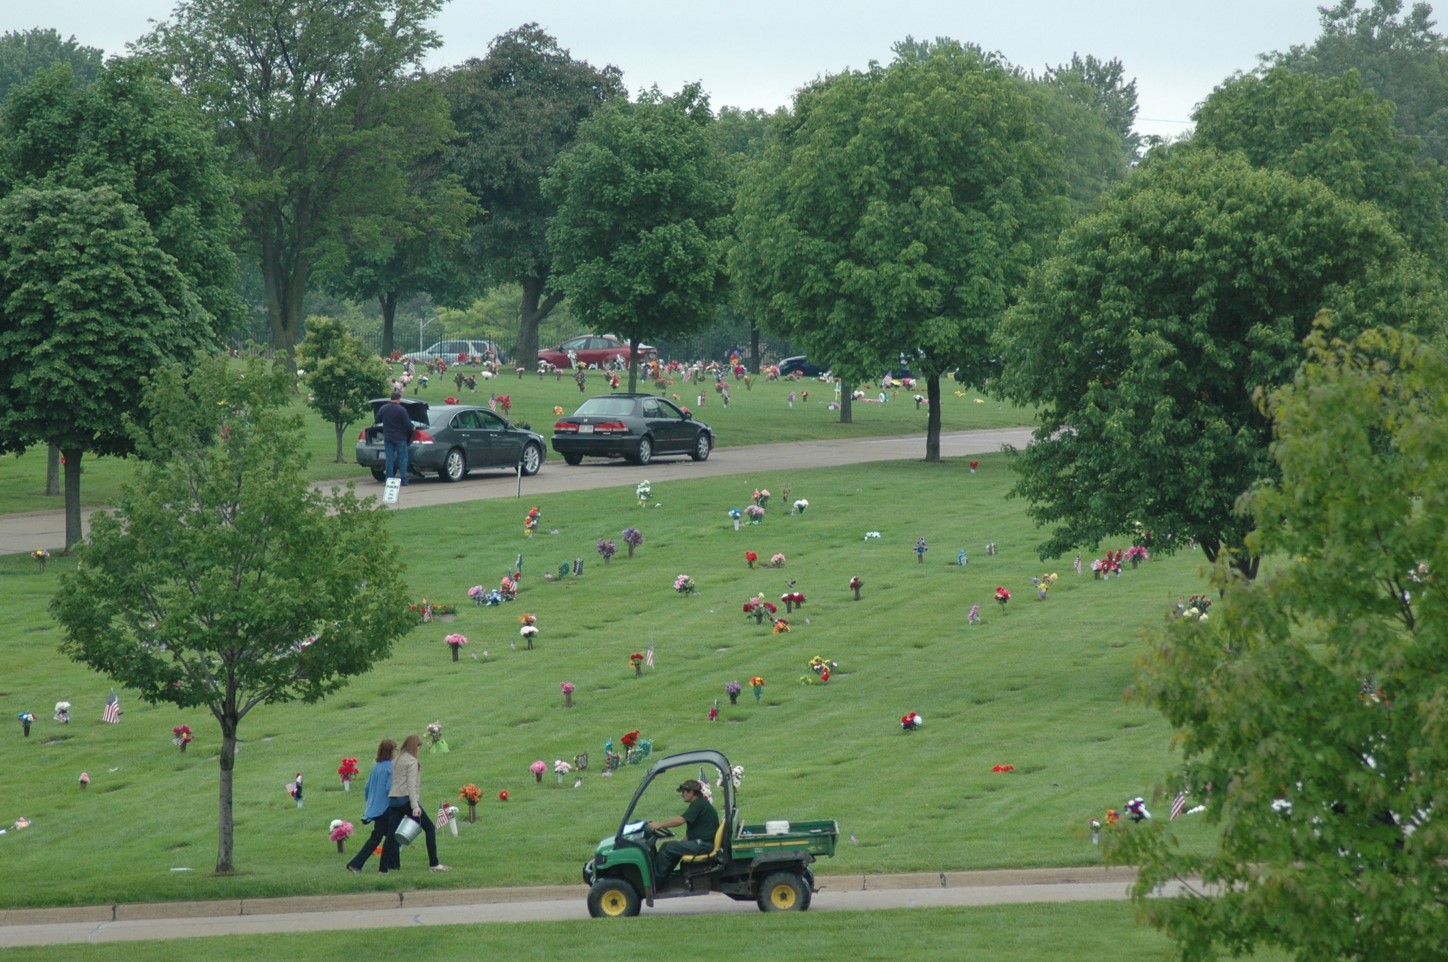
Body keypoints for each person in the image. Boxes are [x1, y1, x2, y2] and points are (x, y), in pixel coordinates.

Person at [382, 733, 449, 872]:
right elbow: (411, 785)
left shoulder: (397, 759)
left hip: (393, 799)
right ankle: (434, 864)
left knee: (391, 834)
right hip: (406, 799)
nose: (419, 750)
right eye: (418, 747)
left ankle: (383, 868)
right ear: (415, 746)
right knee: (429, 828)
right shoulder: (411, 761)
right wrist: (415, 806)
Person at [346, 739, 401, 874]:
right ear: (390, 751)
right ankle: (356, 864)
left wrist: (370, 801)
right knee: (379, 837)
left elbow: (367, 786)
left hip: (375, 807)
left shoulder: (376, 766)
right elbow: (389, 788)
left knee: (391, 835)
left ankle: (394, 865)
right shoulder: (392, 767)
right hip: (386, 807)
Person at [649, 779, 719, 881]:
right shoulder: (700, 803)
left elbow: (680, 820)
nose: (682, 795)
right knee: (674, 847)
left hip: (705, 845)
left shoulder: (698, 804)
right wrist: (681, 843)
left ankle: (655, 881)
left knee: (668, 847)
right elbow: (693, 830)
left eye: (683, 792)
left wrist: (658, 825)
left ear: (691, 792)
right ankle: (665, 876)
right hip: (703, 842)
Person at [376, 390, 413, 484]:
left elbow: (377, 419)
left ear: (391, 398)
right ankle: (403, 480)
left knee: (389, 459)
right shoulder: (402, 410)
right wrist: (413, 427)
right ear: (398, 399)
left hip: (388, 437)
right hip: (400, 437)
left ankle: (389, 479)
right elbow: (407, 424)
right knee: (403, 458)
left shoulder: (383, 408)